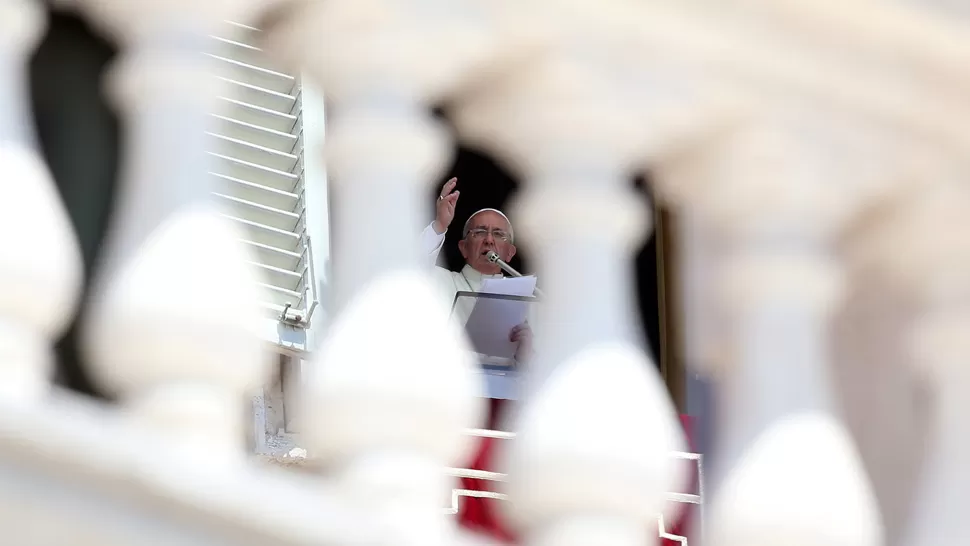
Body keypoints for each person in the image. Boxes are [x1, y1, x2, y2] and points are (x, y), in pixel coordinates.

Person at [420, 177, 534, 364]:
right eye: (480, 232)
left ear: (510, 253)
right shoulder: (442, 280)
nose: (489, 240)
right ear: (463, 247)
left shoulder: (527, 300)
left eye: (498, 234)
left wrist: (526, 355)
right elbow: (411, 268)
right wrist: (439, 225)